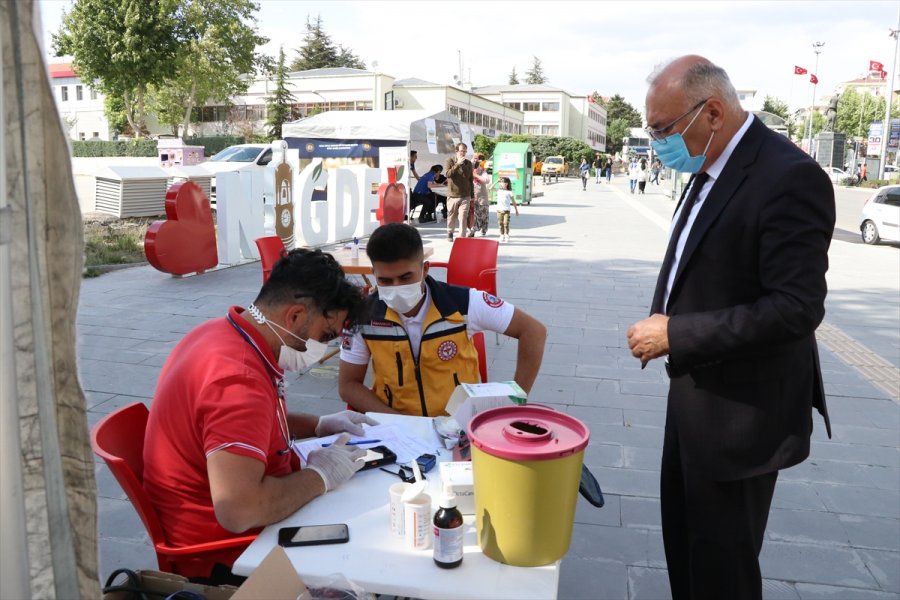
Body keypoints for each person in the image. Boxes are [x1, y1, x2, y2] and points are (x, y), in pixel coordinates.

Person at [626, 56, 834, 600]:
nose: (657, 143)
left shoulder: (788, 177)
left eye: (664, 129)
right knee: (687, 550)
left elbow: (796, 308)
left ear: (712, 112)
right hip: (695, 397)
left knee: (722, 570)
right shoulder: (709, 166)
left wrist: (677, 333)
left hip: (742, 416)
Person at [143, 249, 376, 584]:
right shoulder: (238, 379)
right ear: (295, 317)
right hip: (228, 556)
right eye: (326, 336)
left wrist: (319, 425)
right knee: (369, 549)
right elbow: (240, 509)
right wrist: (320, 476)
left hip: (225, 527)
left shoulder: (222, 333)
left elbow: (252, 423)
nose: (326, 347)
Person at [338, 223, 546, 416]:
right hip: (398, 427)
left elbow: (533, 331)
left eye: (405, 277)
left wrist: (516, 402)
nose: (396, 287)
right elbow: (348, 385)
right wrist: (397, 421)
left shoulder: (462, 303)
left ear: (425, 269)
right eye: (384, 280)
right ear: (373, 273)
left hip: (459, 425)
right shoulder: (363, 316)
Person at [444, 143, 474, 241]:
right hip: (453, 194)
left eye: (465, 151)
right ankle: (450, 232)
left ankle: (461, 237)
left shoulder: (468, 163)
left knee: (463, 217)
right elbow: (448, 174)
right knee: (451, 216)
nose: (463, 153)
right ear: (456, 151)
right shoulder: (450, 161)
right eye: (461, 151)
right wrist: (457, 165)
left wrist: (472, 195)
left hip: (465, 195)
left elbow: (470, 179)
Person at [494, 176, 519, 243]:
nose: (503, 183)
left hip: (506, 210)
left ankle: (506, 235)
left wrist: (516, 210)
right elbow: (490, 188)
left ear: (507, 183)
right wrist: (497, 181)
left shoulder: (509, 192)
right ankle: (502, 235)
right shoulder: (498, 190)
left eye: (505, 182)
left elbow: (513, 202)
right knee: (500, 223)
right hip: (499, 210)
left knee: (506, 223)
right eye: (502, 182)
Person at [471, 153, 491, 236]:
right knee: (475, 215)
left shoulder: (483, 172)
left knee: (484, 215)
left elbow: (486, 180)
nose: (475, 160)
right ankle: (473, 230)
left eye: (477, 158)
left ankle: (484, 229)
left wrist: (476, 175)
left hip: (482, 198)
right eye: (474, 158)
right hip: (472, 197)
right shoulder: (470, 170)